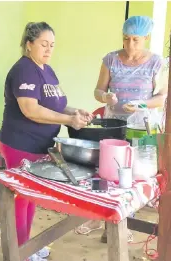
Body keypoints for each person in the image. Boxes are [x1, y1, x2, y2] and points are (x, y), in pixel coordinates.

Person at [0, 21, 93, 260]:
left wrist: (73, 112)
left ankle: (26, 244)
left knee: (31, 197)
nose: (49, 49)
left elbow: (53, 104)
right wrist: (68, 121)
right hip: (21, 144)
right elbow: (31, 109)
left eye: (52, 45)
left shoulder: (46, 69)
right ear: (29, 44)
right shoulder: (24, 69)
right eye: (43, 44)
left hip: (40, 145)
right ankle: (19, 250)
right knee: (21, 197)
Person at [75, 16, 167, 242]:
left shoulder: (156, 63)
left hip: (140, 128)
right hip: (114, 124)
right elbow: (98, 90)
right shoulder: (111, 60)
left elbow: (161, 98)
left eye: (136, 40)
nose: (130, 45)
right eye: (126, 39)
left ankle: (123, 220)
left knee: (132, 177)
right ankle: (98, 216)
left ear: (146, 38)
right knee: (106, 171)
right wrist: (105, 96)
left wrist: (140, 104)